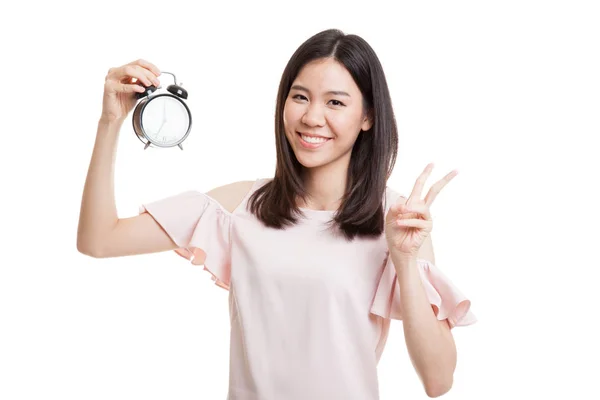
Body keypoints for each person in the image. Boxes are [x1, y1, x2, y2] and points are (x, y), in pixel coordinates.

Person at [77, 28, 477, 400]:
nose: (311, 117)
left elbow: (438, 380)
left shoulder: (395, 220)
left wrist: (405, 262)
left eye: (335, 102)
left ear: (368, 116)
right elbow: (99, 239)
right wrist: (110, 121)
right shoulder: (238, 208)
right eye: (300, 96)